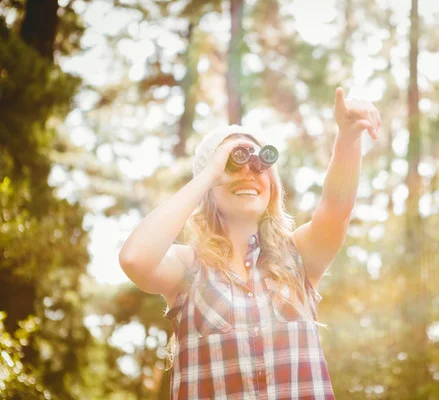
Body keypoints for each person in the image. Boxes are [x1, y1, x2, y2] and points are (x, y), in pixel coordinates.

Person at [118, 87, 380, 399]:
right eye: (233, 162)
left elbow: (335, 209)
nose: (248, 171)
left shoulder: (298, 257)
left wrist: (348, 138)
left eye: (259, 163)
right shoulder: (186, 267)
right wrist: (210, 173)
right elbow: (135, 259)